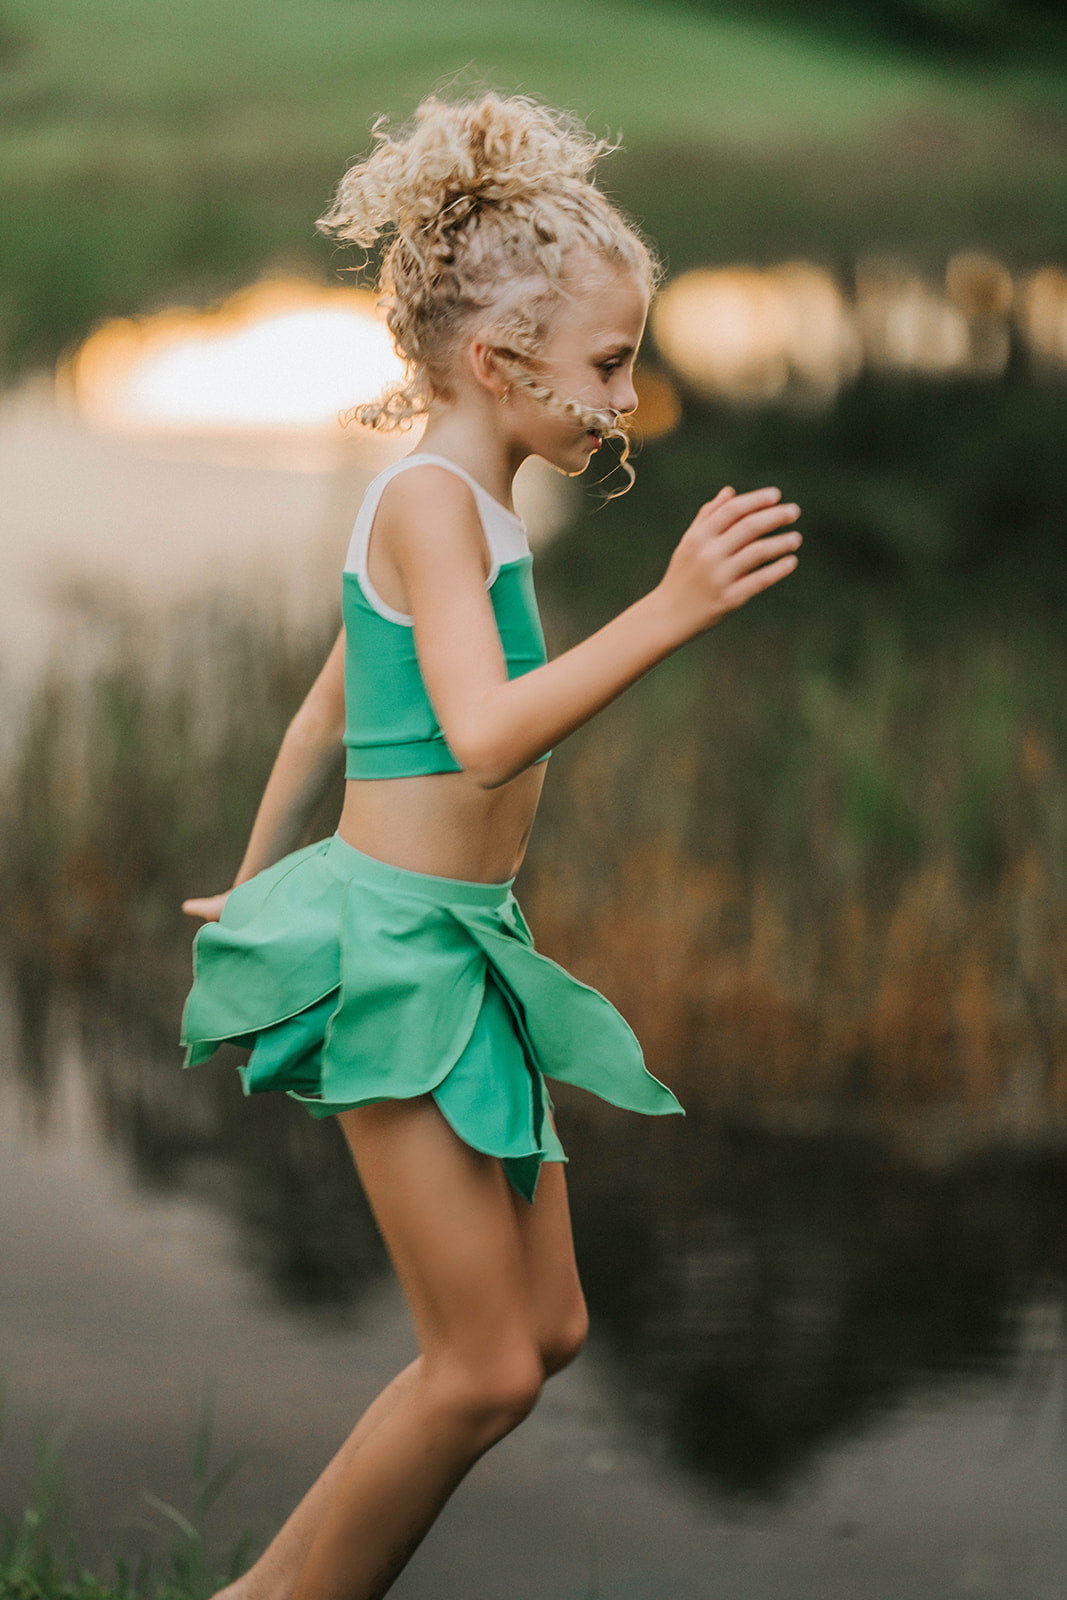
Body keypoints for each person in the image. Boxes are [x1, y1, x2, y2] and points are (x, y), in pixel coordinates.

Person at [179, 89, 801, 1600]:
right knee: (479, 1370)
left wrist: (255, 873)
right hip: (399, 958)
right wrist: (673, 607)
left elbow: (332, 702)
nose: (626, 398)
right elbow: (480, 734)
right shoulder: (433, 507)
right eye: (609, 365)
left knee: (550, 1334)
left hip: (467, 947)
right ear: (498, 362)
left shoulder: (475, 508)